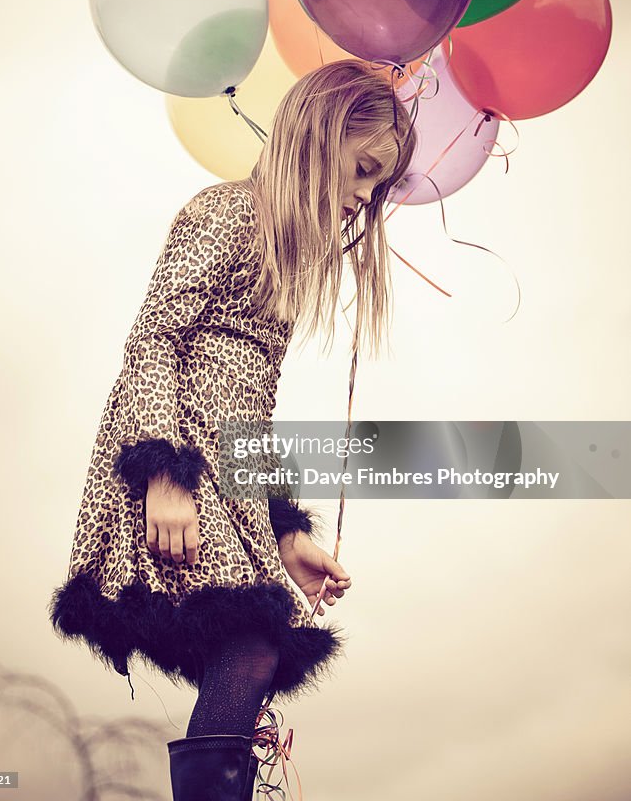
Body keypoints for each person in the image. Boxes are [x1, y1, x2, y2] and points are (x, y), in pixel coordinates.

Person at [48, 59, 417, 800]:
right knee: (249, 641)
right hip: (177, 465)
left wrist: (283, 530)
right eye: (365, 170)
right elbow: (154, 339)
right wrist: (162, 475)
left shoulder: (285, 260)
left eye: (378, 188)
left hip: (228, 480)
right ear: (320, 136)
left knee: (246, 649)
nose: (363, 197)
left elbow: (248, 407)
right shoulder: (225, 212)